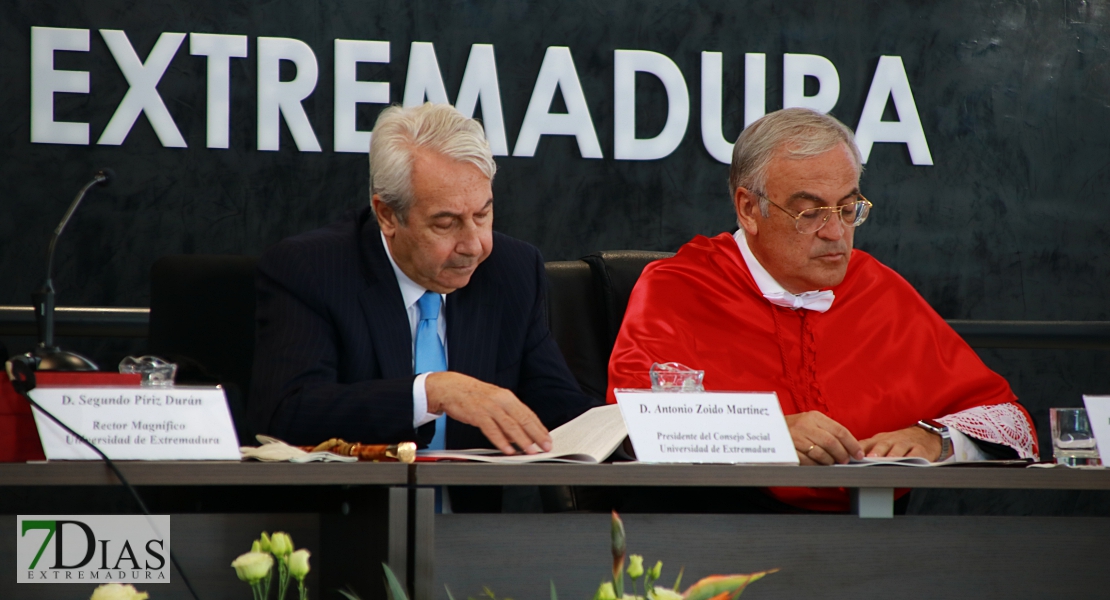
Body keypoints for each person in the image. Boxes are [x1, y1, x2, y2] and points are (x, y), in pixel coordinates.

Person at [607, 108, 1038, 512]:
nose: (836, 233)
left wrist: (934, 440)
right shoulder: (679, 288)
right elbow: (634, 429)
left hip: (874, 551)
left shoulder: (877, 287)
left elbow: (1008, 421)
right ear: (748, 209)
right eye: (810, 212)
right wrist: (766, 434)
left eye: (848, 208)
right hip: (719, 546)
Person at [249, 103, 599, 477]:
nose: (474, 245)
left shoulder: (511, 271)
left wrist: (642, 424)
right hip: (353, 523)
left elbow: (560, 411)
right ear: (387, 215)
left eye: (483, 215)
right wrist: (431, 392)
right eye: (446, 223)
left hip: (470, 527)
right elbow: (285, 415)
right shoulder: (313, 269)